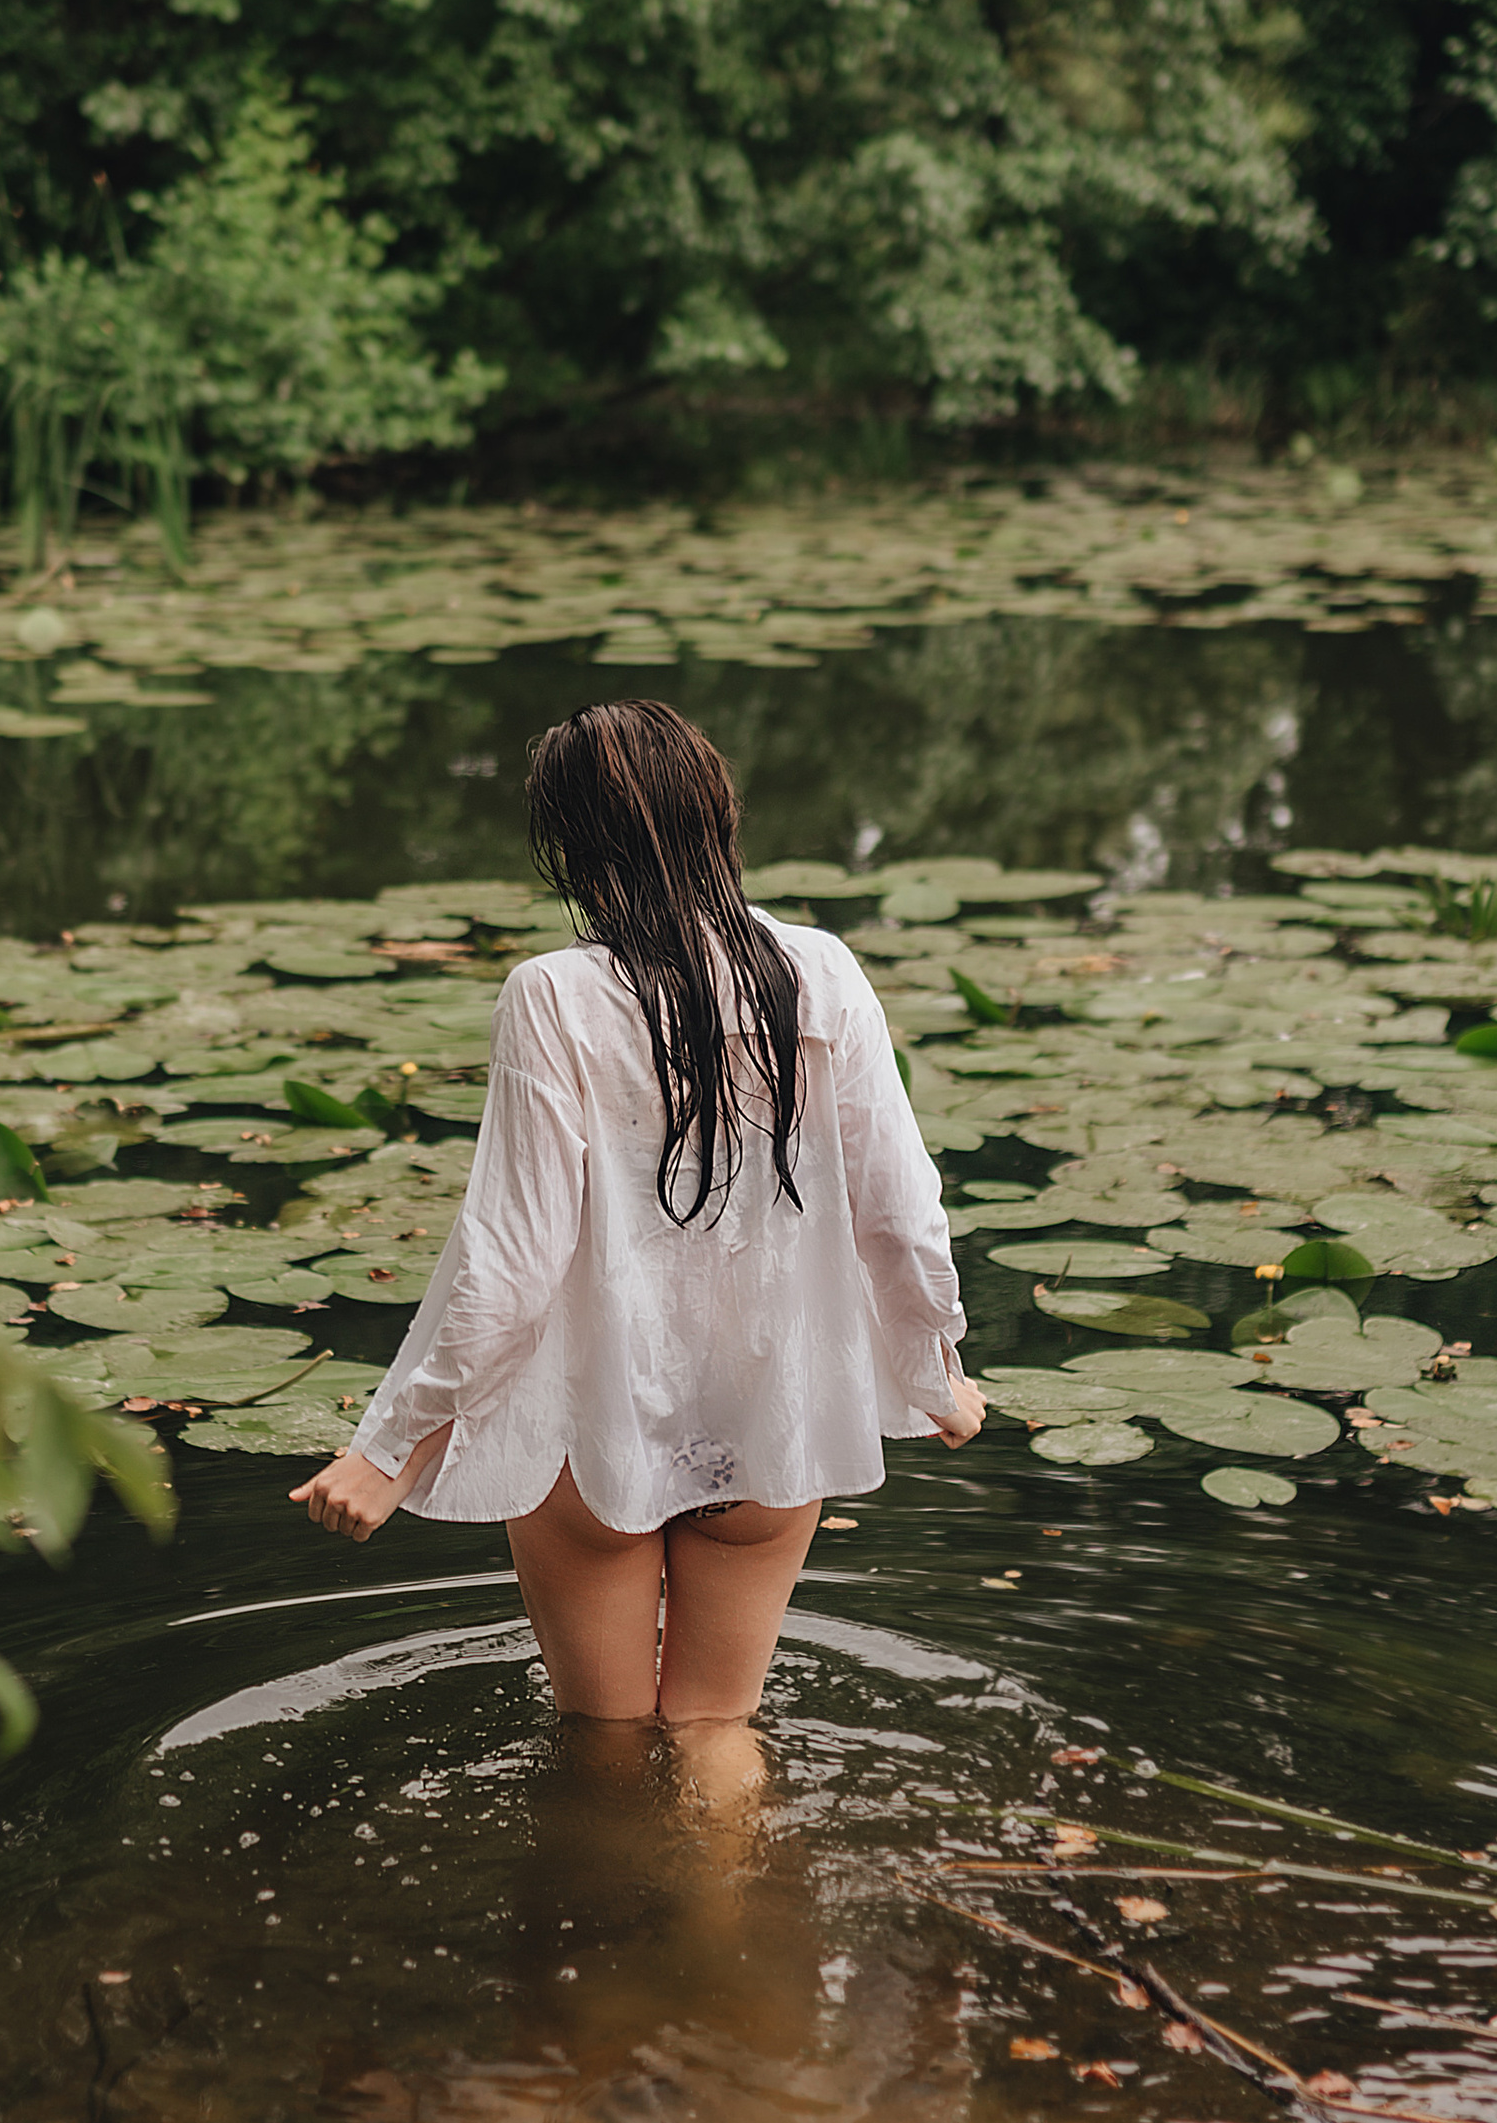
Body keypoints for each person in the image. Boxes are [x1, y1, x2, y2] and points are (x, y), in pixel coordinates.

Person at [290, 700, 984, 1728]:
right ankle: (732, 1892)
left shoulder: (552, 996)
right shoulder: (822, 972)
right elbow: (901, 1212)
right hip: (769, 1426)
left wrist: (387, 1452)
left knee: (604, 1753)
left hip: (591, 1440)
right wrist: (933, 1371)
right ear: (719, 815)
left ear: (567, 848)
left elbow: (511, 1262)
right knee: (714, 1738)